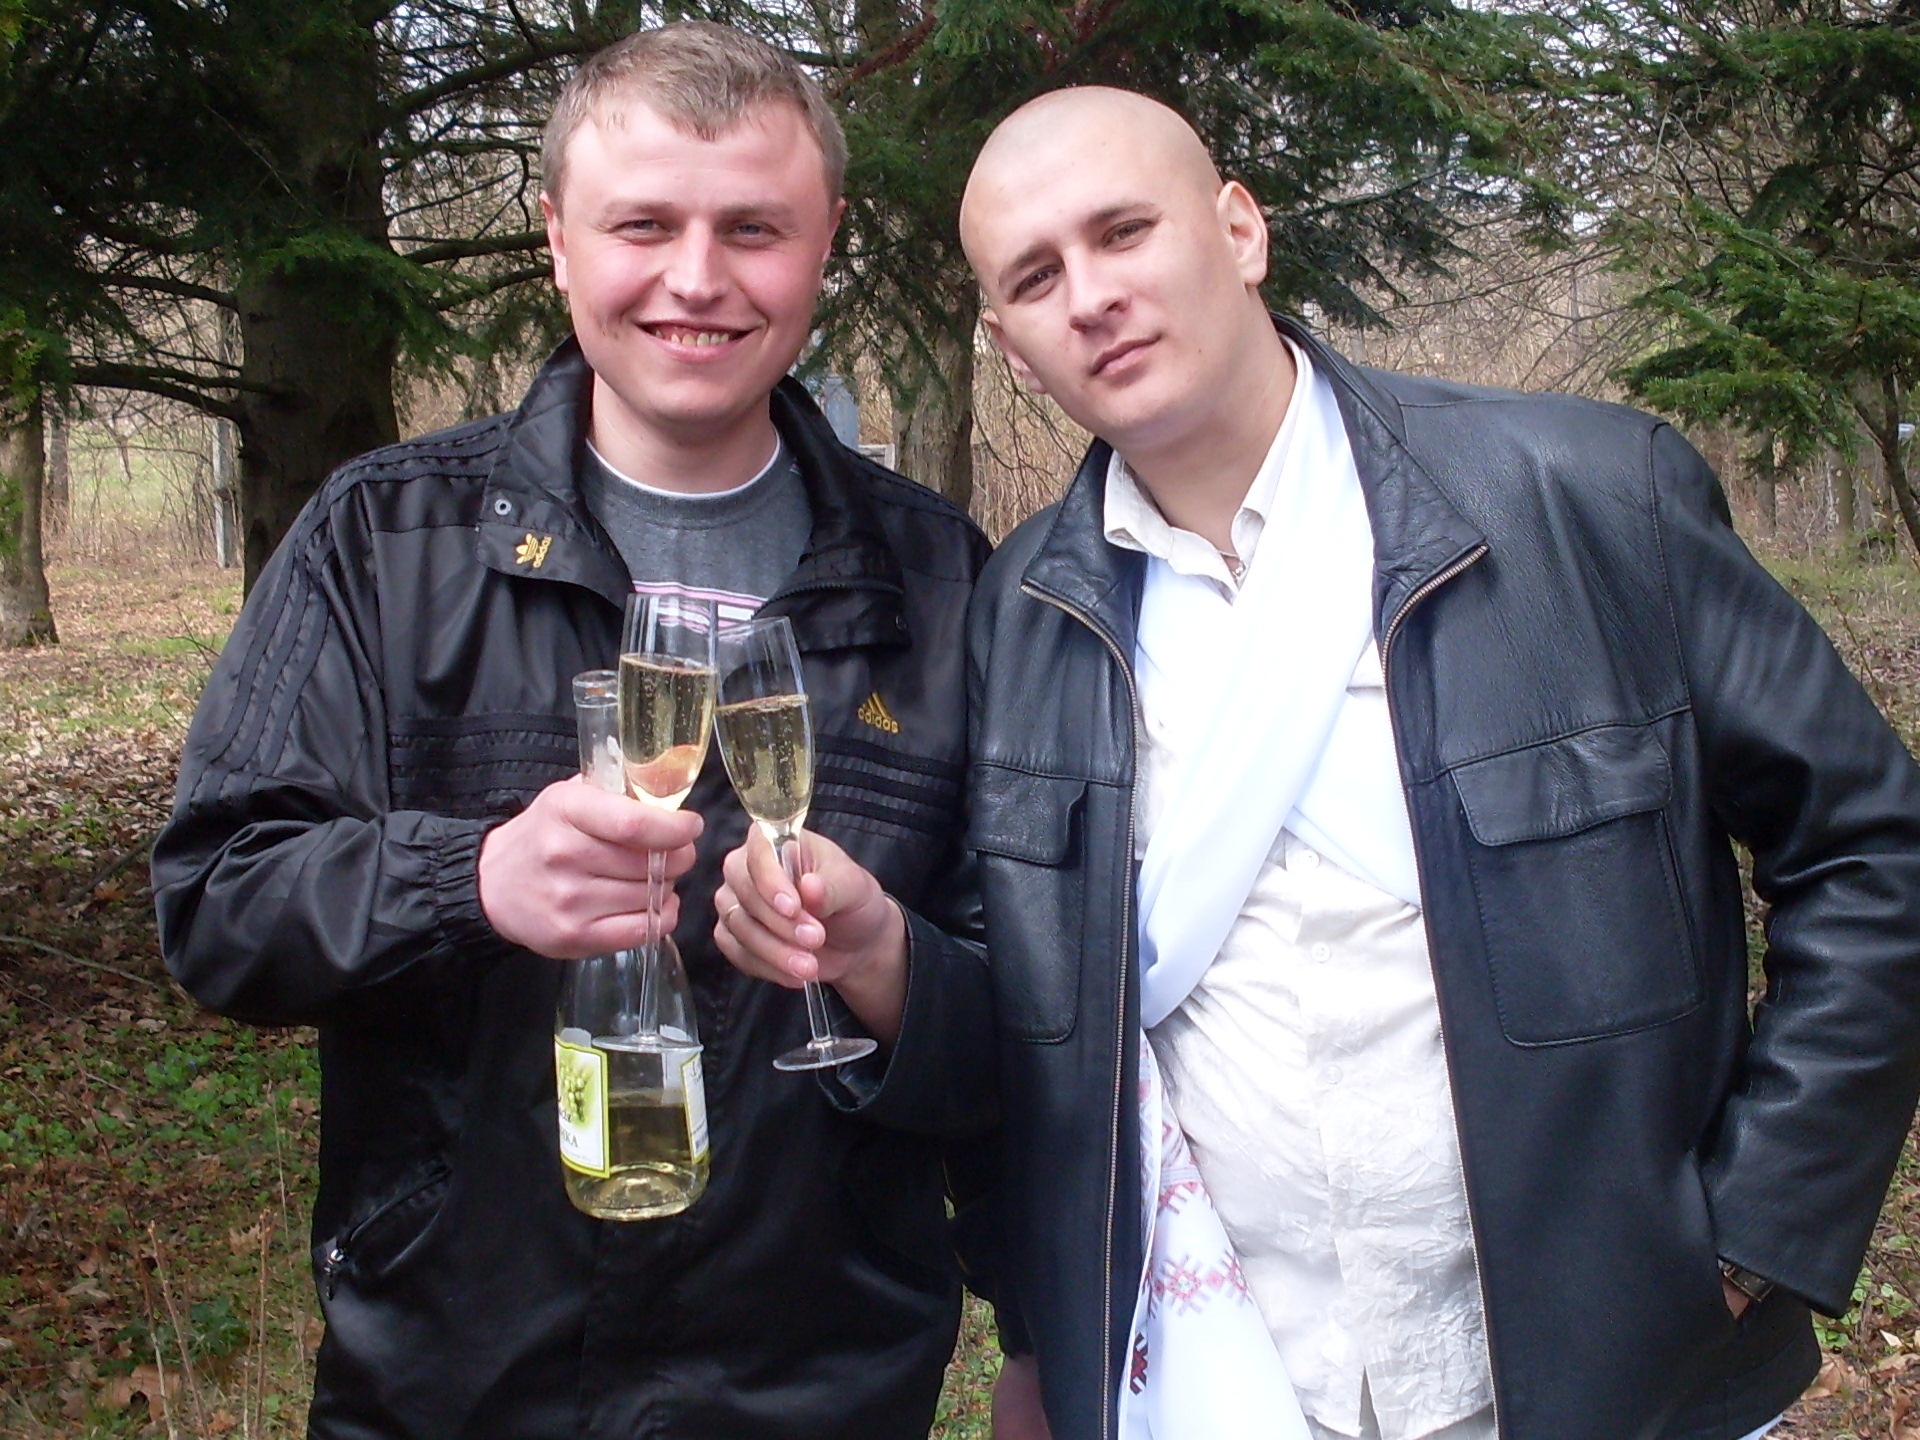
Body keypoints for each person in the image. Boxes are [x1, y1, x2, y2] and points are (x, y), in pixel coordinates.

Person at [716, 86, 1920, 1440]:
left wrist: (1754, 1230)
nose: (1093, 297)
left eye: (1125, 232)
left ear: (1240, 230)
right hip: (1217, 1376)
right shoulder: (1022, 617)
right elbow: (1038, 1043)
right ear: (1008, 343)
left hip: (1614, 1381)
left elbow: (1872, 851)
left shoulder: (1586, 496)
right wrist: (887, 966)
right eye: (1037, 277)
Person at [151, 22, 991, 1440]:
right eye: (642, 224)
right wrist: (466, 880)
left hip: (821, 1388)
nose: (697, 278)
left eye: (753, 229)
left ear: (826, 244)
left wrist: (888, 965)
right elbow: (218, 910)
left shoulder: (946, 582)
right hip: (453, 1382)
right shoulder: (382, 542)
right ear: (555, 238)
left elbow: (1036, 1024)